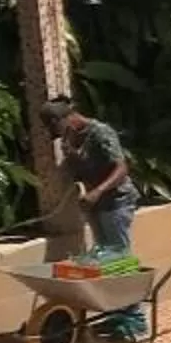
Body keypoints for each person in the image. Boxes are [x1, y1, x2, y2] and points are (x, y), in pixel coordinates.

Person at [39, 97, 136, 256]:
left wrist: (97, 192)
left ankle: (126, 273)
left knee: (119, 253)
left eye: (57, 129)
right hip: (95, 204)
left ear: (65, 119)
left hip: (116, 200)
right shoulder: (69, 137)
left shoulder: (100, 133)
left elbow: (121, 168)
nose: (59, 135)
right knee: (105, 253)